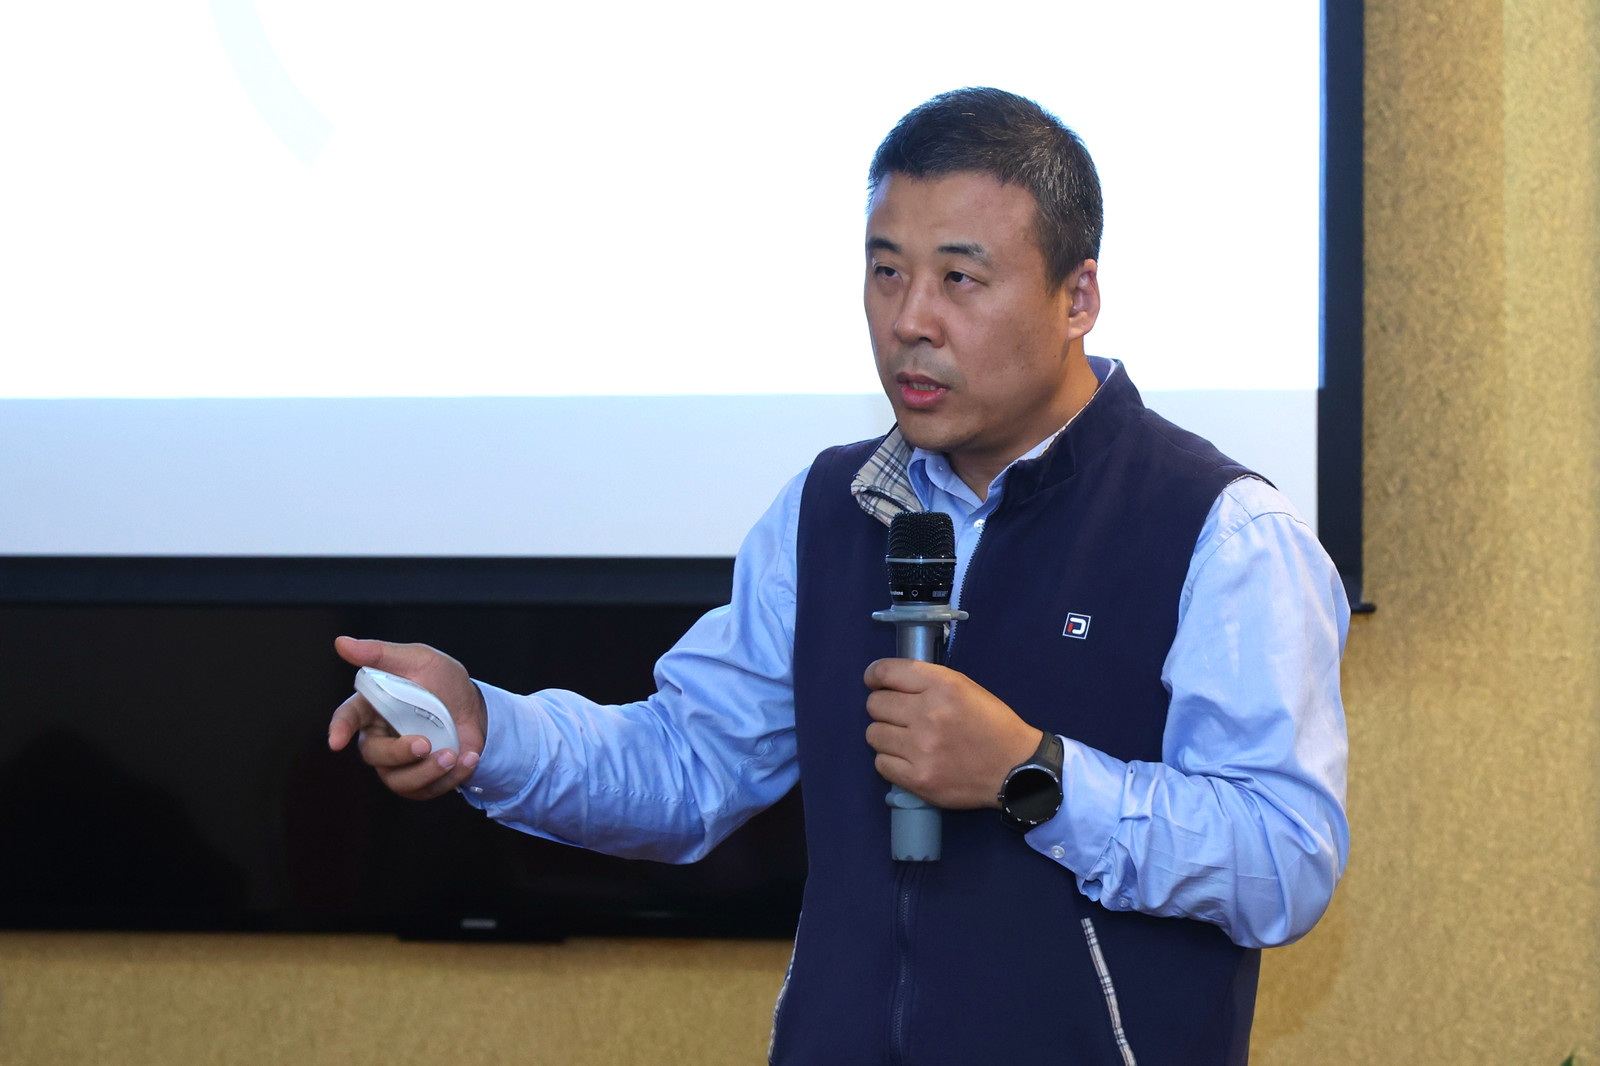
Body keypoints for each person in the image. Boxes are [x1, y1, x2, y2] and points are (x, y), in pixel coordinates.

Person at [328, 87, 1349, 1065]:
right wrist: (486, 728)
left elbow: (1284, 859)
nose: (910, 320)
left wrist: (1030, 775)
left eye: (960, 279)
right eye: (885, 272)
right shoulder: (828, 510)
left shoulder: (1221, 531)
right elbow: (689, 766)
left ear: (1076, 296)